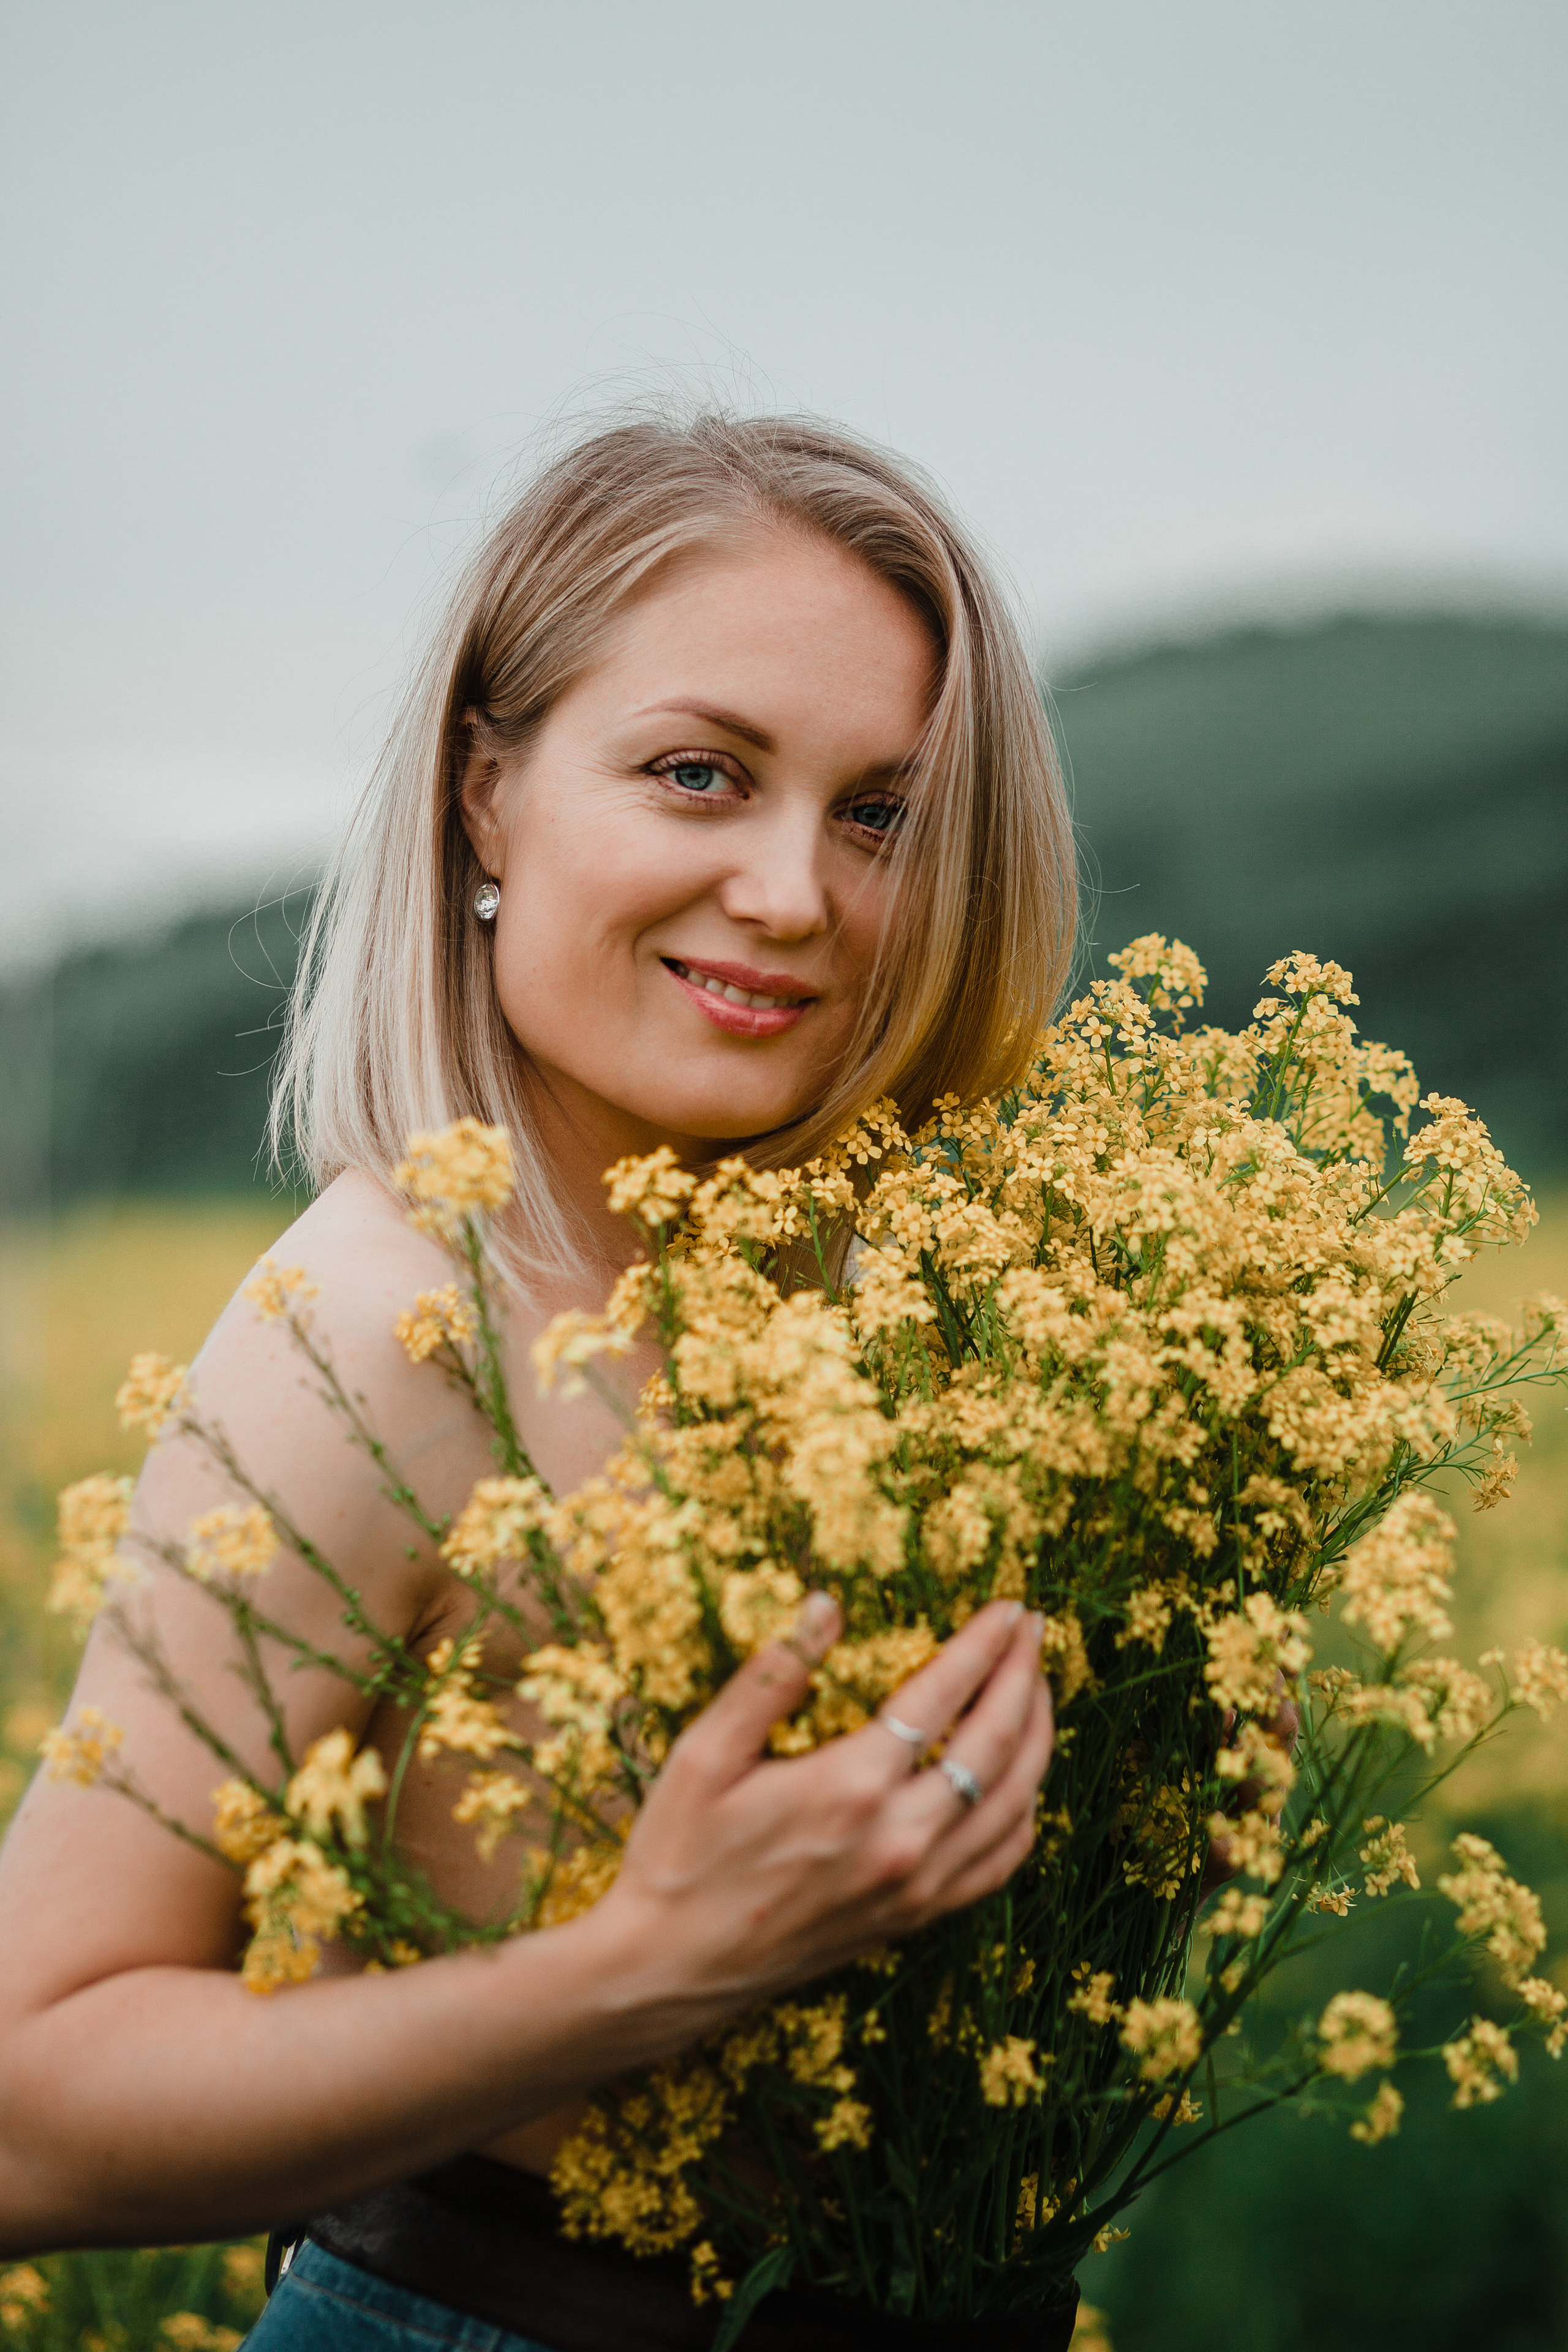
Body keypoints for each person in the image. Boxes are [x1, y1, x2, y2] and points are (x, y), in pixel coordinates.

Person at [0, 414, 1080, 2350]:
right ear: (487, 796)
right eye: (698, 775)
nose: (790, 896)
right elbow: (26, 2109)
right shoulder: (379, 1322)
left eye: (880, 816)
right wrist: (648, 1968)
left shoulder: (945, 1300)